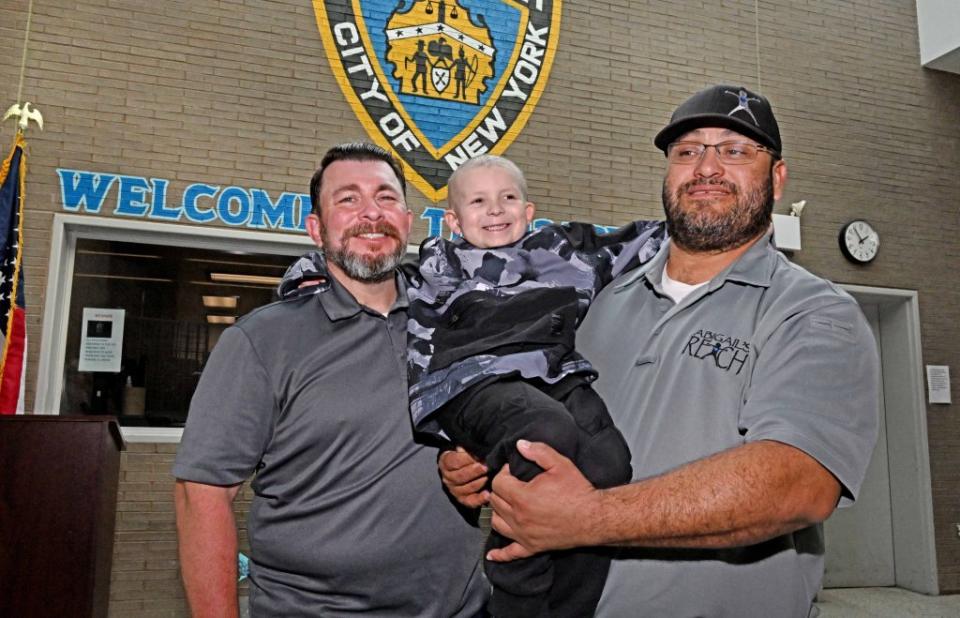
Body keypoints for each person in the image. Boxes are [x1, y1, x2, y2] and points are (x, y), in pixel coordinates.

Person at [441, 85, 881, 617]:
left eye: (736, 151)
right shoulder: (594, 298)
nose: (707, 167)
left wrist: (591, 517)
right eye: (688, 151)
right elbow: (520, 392)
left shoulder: (813, 312)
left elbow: (797, 483)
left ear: (778, 178)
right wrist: (471, 452)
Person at [280, 154, 663, 617]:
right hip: (469, 382)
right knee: (544, 430)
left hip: (553, 374)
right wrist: (306, 282)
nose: (495, 209)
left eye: (508, 198)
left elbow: (643, 239)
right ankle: (514, 573)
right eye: (478, 201)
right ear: (453, 221)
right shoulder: (439, 265)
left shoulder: (565, 253)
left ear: (529, 210)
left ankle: (569, 606)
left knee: (610, 462)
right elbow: (360, 276)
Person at [172, 143, 488, 617]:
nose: (370, 213)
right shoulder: (262, 341)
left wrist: (477, 456)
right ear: (316, 229)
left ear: (406, 219)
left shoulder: (456, 322)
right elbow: (202, 495)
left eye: (385, 198)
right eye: (348, 200)